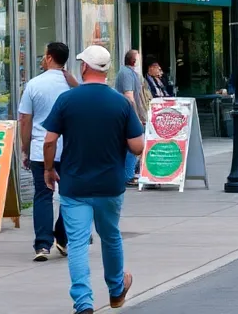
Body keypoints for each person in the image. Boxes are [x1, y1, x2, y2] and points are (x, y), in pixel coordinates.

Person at [43, 45, 144, 314]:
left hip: (74, 185)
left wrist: (49, 169)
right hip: (109, 185)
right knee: (111, 237)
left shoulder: (67, 100)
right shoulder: (120, 102)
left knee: (76, 244)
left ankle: (83, 303)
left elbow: (50, 140)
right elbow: (137, 146)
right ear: (106, 70)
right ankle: (115, 289)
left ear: (85, 67)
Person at [18, 42, 76, 261]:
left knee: (43, 195)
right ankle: (62, 237)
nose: (42, 59)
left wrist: (25, 148)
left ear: (50, 57)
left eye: (44, 55)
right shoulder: (70, 84)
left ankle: (42, 244)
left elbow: (25, 120)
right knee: (69, 196)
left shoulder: (34, 85)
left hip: (40, 149)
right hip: (68, 148)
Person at [114, 49, 147, 186]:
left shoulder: (132, 73)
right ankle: (128, 175)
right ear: (133, 61)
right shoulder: (126, 73)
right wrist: (135, 117)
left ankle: (129, 173)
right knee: (134, 143)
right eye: (138, 58)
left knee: (131, 144)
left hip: (133, 113)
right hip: (129, 114)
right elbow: (129, 95)